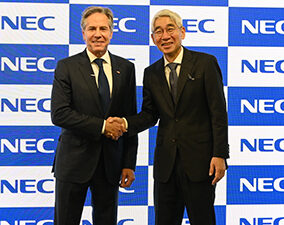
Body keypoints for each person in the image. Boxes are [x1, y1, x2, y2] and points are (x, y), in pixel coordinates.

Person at [110, 9, 229, 225]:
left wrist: (220, 154)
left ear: (182, 32)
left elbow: (218, 112)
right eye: (158, 32)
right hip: (165, 166)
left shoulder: (205, 63)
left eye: (170, 29)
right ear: (153, 39)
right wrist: (124, 123)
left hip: (200, 163)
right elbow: (149, 114)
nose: (165, 36)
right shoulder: (151, 73)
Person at [50, 6, 138, 225]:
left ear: (111, 32)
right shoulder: (66, 67)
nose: (97, 34)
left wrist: (129, 163)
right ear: (83, 33)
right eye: (92, 28)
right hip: (73, 163)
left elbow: (129, 118)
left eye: (103, 28)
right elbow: (59, 114)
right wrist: (102, 126)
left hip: (110, 164)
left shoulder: (126, 68)